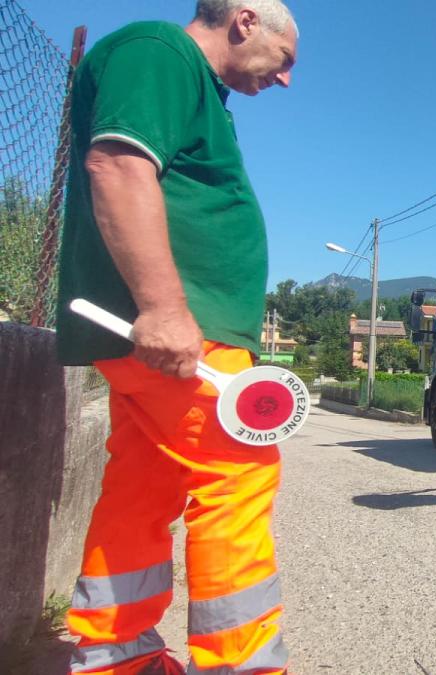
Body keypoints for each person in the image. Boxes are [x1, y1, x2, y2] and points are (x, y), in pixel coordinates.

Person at [55, 2, 298, 673]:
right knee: (238, 473)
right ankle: (240, 664)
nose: (285, 81)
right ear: (245, 21)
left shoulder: (195, 84)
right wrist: (163, 306)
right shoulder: (161, 51)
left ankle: (115, 655)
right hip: (172, 329)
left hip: (161, 337)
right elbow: (120, 165)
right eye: (286, 60)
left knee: (145, 481)